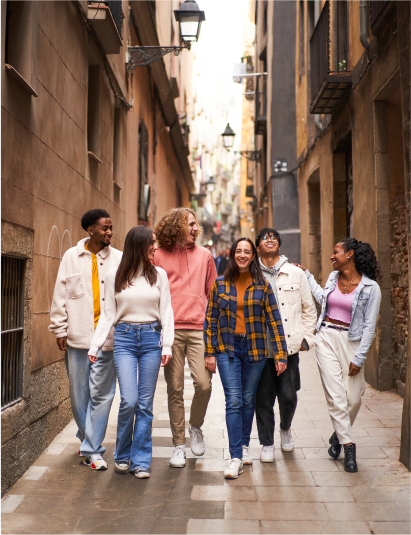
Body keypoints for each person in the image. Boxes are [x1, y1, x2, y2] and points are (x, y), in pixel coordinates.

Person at [88, 226, 174, 478]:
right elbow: (108, 315)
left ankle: (140, 460)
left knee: (145, 404)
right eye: (153, 243)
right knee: (129, 401)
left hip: (151, 340)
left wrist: (166, 344)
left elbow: (167, 312)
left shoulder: (159, 275)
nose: (156, 248)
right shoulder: (115, 275)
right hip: (123, 339)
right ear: (139, 245)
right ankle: (122, 454)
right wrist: (96, 345)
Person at [294, 238, 381, 473]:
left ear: (350, 254)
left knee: (353, 399)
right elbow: (324, 300)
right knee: (336, 396)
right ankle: (349, 446)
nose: (332, 256)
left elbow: (370, 327)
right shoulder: (333, 278)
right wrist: (308, 276)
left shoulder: (371, 288)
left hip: (351, 343)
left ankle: (337, 437)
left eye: (336, 252)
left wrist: (360, 358)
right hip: (326, 338)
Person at [204, 237, 287, 479]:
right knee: (234, 400)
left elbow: (275, 321)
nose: (242, 255)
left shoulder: (262, 286)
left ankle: (243, 445)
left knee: (248, 399)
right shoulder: (219, 285)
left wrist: (281, 354)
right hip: (227, 349)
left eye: (247, 252)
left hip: (256, 350)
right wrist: (210, 352)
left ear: (253, 256)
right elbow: (210, 321)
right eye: (238, 251)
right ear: (232, 255)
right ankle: (235, 457)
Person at [49, 209, 122, 470]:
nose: (109, 232)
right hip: (78, 339)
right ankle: (87, 437)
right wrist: (59, 329)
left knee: (103, 395)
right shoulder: (71, 257)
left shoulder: (119, 259)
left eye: (111, 227)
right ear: (90, 229)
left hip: (108, 340)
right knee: (79, 396)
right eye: (105, 228)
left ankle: (92, 449)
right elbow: (60, 293)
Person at [154, 208, 217, 468]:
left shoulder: (205, 255)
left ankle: (196, 426)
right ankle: (179, 444)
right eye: (190, 224)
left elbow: (213, 295)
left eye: (195, 225)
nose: (195, 228)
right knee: (175, 388)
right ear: (176, 226)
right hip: (170, 331)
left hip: (199, 329)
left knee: (204, 385)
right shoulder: (157, 255)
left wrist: (214, 334)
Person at [255, 228, 317, 462]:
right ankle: (267, 443)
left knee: (289, 396)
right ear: (258, 247)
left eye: (273, 238)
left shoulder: (295, 273)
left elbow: (309, 309)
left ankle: (285, 428)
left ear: (279, 246)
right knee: (263, 399)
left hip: (289, 347)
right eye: (264, 238)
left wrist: (306, 339)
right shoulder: (251, 273)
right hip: (261, 349)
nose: (269, 240)